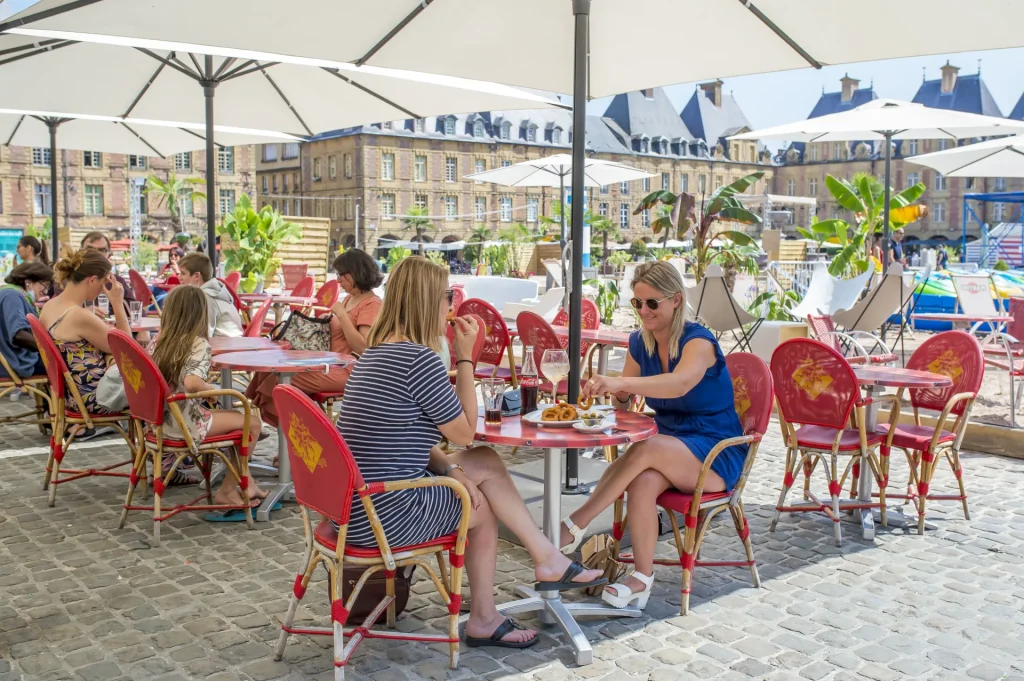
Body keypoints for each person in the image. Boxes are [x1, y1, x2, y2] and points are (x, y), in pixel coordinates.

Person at [332, 256, 605, 648]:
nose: (452, 305)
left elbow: (415, 440)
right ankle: (484, 617)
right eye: (448, 296)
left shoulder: (374, 354)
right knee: (483, 507)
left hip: (357, 506)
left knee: (485, 463)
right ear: (429, 302)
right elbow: (462, 432)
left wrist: (454, 471)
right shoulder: (417, 360)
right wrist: (465, 357)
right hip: (384, 513)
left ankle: (548, 559)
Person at [572, 260, 746, 610]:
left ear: (676, 300)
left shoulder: (699, 341)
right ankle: (642, 578)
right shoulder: (641, 342)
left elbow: (679, 383)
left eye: (653, 303)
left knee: (645, 447)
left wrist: (621, 382)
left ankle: (577, 522)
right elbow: (626, 401)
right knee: (643, 482)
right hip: (671, 447)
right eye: (637, 303)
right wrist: (613, 392)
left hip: (715, 451)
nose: (644, 311)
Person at [147, 286, 267, 509]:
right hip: (186, 423)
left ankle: (248, 483)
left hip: (159, 422)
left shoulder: (157, 341)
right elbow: (193, 383)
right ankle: (228, 491)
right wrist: (210, 388)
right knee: (253, 423)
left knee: (233, 420)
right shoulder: (197, 343)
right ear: (201, 314)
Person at [247, 249, 383, 426]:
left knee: (283, 378)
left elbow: (363, 348)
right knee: (266, 370)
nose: (338, 280)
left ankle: (302, 436)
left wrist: (341, 315)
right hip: (328, 364)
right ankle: (273, 430)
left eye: (341, 275)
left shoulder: (371, 304)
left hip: (350, 371)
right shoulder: (351, 298)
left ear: (356, 273)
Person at [38, 249, 131, 415]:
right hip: (98, 398)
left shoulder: (50, 306)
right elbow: (128, 350)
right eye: (103, 283)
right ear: (93, 280)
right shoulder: (79, 315)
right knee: (160, 385)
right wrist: (117, 303)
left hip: (71, 396)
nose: (103, 290)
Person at [0, 261, 52, 379]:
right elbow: (19, 335)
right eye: (45, 285)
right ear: (28, 281)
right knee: (71, 364)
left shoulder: (9, 293)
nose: (45, 290)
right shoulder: (12, 296)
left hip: (11, 360)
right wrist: (51, 347)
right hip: (15, 364)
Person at [178, 253, 243, 338]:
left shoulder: (206, 297)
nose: (179, 277)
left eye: (182, 273)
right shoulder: (211, 293)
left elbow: (203, 336)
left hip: (226, 347)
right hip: (230, 344)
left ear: (197, 276)